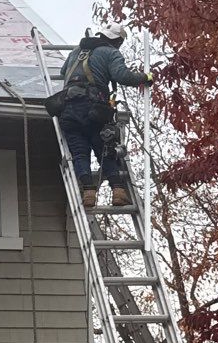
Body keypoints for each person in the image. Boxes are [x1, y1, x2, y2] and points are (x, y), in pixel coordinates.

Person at [57, 21, 153, 208]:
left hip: (68, 108)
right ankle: (118, 191)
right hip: (94, 108)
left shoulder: (77, 51)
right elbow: (122, 76)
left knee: (79, 153)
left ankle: (88, 194)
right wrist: (145, 78)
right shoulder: (111, 53)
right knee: (105, 149)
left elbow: (63, 72)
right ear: (117, 42)